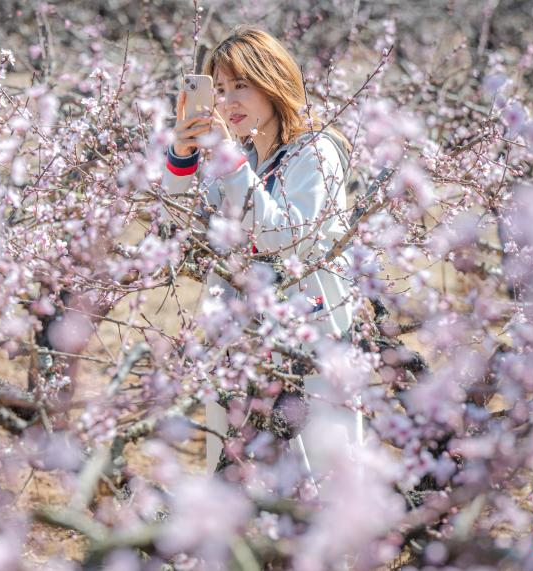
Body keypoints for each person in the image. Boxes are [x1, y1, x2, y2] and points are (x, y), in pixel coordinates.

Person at [158, 26, 364, 489]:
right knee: (236, 493)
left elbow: (279, 238)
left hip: (305, 354)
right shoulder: (242, 158)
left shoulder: (316, 152)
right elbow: (175, 227)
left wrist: (230, 163)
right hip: (239, 350)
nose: (228, 101)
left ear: (273, 83)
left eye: (241, 86)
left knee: (320, 491)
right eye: (221, 89)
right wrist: (182, 155)